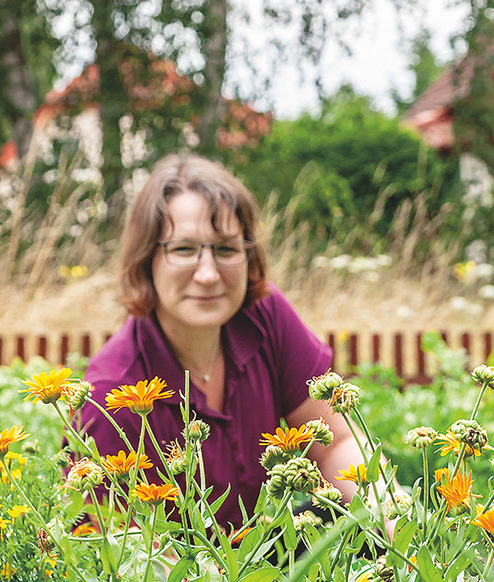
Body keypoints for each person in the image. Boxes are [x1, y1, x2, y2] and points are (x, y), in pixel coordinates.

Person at [77, 152, 368, 530]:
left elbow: (337, 442)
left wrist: (392, 516)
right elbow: (124, 552)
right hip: (174, 578)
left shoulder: (266, 317)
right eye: (183, 249)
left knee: (353, 522)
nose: (209, 273)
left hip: (259, 556)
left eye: (226, 249)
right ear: (146, 258)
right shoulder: (112, 393)